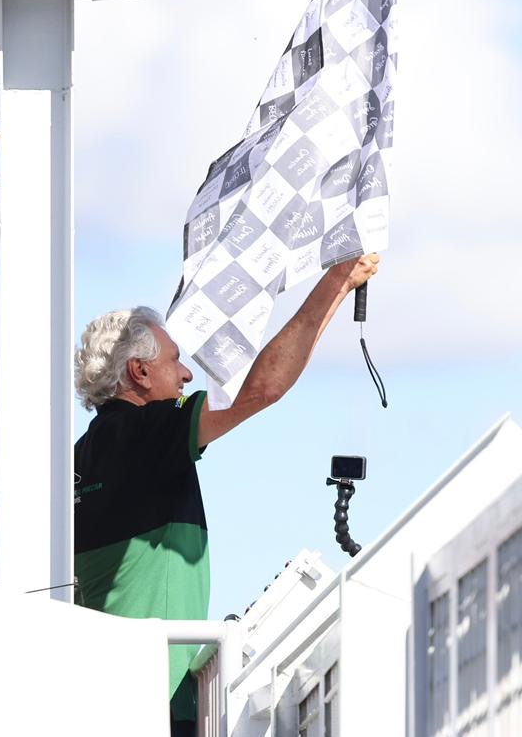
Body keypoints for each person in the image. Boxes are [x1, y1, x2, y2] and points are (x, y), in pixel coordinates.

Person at [73, 253, 378, 735]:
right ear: (139, 373)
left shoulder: (81, 456)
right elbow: (261, 389)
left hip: (100, 697)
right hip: (150, 702)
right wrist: (338, 278)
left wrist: (342, 287)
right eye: (175, 361)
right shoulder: (145, 433)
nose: (187, 375)